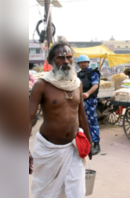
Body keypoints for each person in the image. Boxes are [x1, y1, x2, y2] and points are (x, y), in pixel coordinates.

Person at [29, 42, 93, 198]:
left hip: (73, 148)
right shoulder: (42, 85)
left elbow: (82, 116)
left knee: (76, 193)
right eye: (60, 58)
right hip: (48, 149)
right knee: (47, 194)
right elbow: (28, 118)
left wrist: (90, 143)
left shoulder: (77, 84)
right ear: (51, 61)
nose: (65, 61)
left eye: (69, 57)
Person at [77, 55, 101, 155]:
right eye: (81, 62)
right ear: (78, 64)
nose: (83, 64)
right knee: (80, 121)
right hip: (79, 101)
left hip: (90, 101)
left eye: (85, 62)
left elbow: (95, 85)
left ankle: (96, 144)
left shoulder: (93, 72)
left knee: (92, 121)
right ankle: (85, 143)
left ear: (88, 63)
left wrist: (87, 93)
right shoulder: (78, 74)